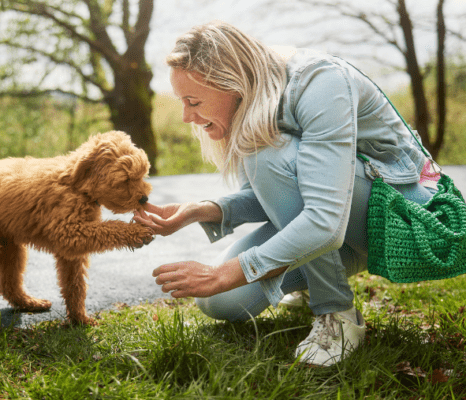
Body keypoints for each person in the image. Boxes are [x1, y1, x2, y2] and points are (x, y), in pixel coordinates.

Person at [133, 20, 438, 367]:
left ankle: (336, 315)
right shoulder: (255, 102)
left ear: (231, 84)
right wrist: (201, 210)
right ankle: (314, 276)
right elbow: (270, 195)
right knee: (221, 302)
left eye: (193, 101)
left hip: (411, 217)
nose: (187, 116)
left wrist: (222, 273)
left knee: (265, 155)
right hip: (346, 222)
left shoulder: (321, 82)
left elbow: (325, 220)